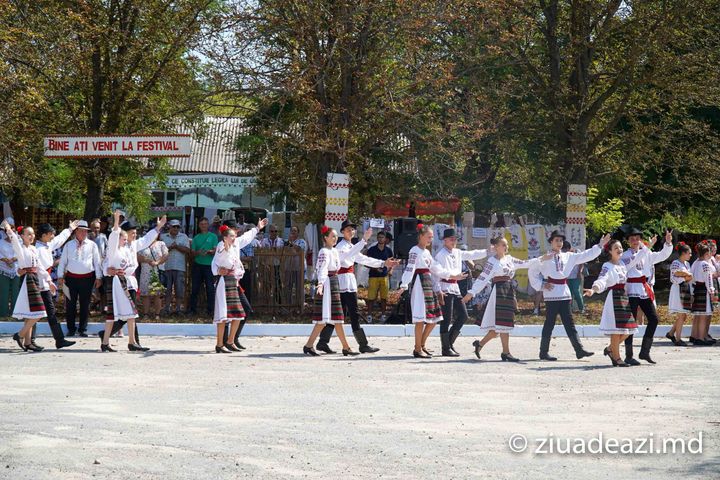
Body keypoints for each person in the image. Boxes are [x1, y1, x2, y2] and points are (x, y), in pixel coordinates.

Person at [316, 220, 398, 354]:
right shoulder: (342, 247)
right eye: (348, 230)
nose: (352, 232)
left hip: (348, 282)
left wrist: (383, 263)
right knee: (348, 313)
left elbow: (363, 259)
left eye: (353, 229)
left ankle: (323, 342)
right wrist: (364, 240)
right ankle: (361, 344)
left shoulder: (350, 246)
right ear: (342, 232)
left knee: (341, 313)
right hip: (341, 283)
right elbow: (350, 255)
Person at [463, 237, 548, 361]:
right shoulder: (492, 261)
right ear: (496, 247)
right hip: (498, 292)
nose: (506, 247)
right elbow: (483, 278)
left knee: (501, 325)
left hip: (508, 291)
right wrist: (471, 293)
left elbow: (525, 263)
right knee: (502, 324)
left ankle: (480, 344)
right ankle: (506, 352)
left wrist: (541, 259)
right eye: (503, 245)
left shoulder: (510, 259)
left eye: (506, 245)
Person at [529, 230, 610, 361]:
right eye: (556, 240)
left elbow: (585, 255)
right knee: (549, 323)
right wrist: (541, 285)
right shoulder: (545, 258)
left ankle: (579, 350)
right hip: (552, 293)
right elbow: (532, 270)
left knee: (569, 323)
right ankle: (543, 352)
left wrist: (600, 246)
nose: (559, 243)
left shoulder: (568, 256)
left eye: (561, 240)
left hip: (564, 293)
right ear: (551, 242)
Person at [97, 212, 167, 349]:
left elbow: (146, 239)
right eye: (131, 233)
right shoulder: (114, 247)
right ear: (123, 235)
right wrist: (116, 222)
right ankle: (124, 341)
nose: (134, 236)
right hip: (117, 282)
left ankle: (128, 341)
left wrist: (158, 228)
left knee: (131, 313)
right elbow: (106, 261)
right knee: (122, 313)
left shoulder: (133, 245)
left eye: (135, 233)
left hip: (129, 281)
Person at [303, 225, 372, 356]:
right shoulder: (324, 251)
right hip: (328, 284)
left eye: (335, 236)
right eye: (332, 236)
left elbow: (348, 257)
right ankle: (310, 345)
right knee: (325, 320)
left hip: (335, 282)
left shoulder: (335, 251)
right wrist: (321, 284)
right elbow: (322, 269)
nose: (335, 239)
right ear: (325, 238)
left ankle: (343, 347)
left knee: (338, 318)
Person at [399, 223, 466, 358]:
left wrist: (451, 278)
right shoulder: (414, 250)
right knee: (420, 319)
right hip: (419, 284)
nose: (430, 240)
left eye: (432, 237)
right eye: (429, 237)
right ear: (421, 236)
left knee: (434, 318)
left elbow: (436, 269)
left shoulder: (427, 252)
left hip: (428, 283)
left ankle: (421, 345)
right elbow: (410, 268)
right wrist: (404, 285)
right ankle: (417, 349)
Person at [583, 239, 649, 367]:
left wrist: (646, 246)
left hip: (624, 297)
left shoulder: (623, 265)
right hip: (614, 298)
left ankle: (610, 349)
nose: (619, 250)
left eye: (620, 247)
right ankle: (617, 358)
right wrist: (593, 289)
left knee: (628, 330)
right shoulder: (607, 266)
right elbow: (602, 279)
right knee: (616, 330)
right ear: (610, 251)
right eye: (616, 248)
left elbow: (636, 258)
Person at [211, 219, 266, 353]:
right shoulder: (221, 245)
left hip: (234, 281)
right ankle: (221, 343)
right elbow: (215, 262)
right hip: (224, 281)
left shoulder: (236, 243)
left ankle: (231, 340)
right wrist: (218, 271)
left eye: (236, 233)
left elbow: (247, 237)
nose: (236, 234)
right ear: (226, 234)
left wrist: (257, 228)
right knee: (224, 314)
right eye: (233, 232)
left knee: (241, 312)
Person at [434, 228, 491, 356]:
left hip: (455, 288)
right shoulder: (440, 255)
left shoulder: (457, 252)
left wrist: (487, 251)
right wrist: (438, 291)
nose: (454, 241)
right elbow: (436, 274)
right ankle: (445, 348)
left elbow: (472, 254)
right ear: (445, 240)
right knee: (446, 319)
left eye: (455, 239)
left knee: (463, 315)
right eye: (451, 239)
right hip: (445, 288)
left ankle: (448, 343)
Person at [621, 228, 673, 364]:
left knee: (654, 319)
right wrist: (645, 249)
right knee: (630, 323)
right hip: (631, 289)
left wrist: (667, 244)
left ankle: (645, 351)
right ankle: (629, 355)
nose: (635, 241)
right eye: (632, 239)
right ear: (628, 241)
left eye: (637, 238)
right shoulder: (624, 255)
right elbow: (629, 265)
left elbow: (661, 256)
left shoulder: (646, 253)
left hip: (643, 289)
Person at [3, 221, 49, 351]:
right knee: (39, 312)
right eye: (28, 234)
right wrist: (9, 230)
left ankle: (28, 342)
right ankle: (20, 335)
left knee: (30, 314)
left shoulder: (33, 249)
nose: (31, 236)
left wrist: (49, 280)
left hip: (34, 279)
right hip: (27, 280)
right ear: (22, 236)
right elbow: (15, 243)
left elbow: (39, 267)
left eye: (33, 234)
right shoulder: (21, 248)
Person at [100, 211, 142, 352]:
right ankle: (105, 342)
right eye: (123, 239)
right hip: (115, 284)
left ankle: (131, 342)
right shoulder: (113, 251)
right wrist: (116, 220)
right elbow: (113, 237)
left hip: (123, 282)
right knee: (113, 314)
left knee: (131, 313)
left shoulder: (125, 251)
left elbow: (131, 264)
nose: (125, 241)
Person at [34, 221, 80, 349]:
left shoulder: (47, 245)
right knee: (39, 312)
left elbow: (59, 239)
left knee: (44, 312)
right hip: (39, 284)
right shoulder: (37, 249)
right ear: (43, 235)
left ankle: (57, 339)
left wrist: (70, 229)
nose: (53, 236)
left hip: (45, 283)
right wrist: (48, 281)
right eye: (50, 234)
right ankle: (26, 337)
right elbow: (39, 269)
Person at [57, 220, 103, 337]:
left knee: (85, 304)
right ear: (76, 231)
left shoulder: (92, 245)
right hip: (70, 279)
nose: (83, 233)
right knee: (70, 304)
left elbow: (97, 262)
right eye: (81, 231)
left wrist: (98, 277)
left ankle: (82, 329)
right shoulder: (69, 245)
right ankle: (71, 329)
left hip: (88, 279)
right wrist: (60, 276)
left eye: (85, 231)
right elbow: (63, 261)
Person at [161, 219, 191, 315]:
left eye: (177, 227)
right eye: (174, 226)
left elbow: (187, 250)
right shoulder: (163, 237)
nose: (176, 228)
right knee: (167, 289)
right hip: (166, 266)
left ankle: (178, 309)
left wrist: (177, 246)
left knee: (179, 289)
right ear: (169, 227)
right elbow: (159, 251)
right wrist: (171, 247)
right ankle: (167, 308)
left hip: (179, 267)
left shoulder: (184, 236)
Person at [188, 217, 217, 317]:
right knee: (195, 288)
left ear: (208, 225)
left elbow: (215, 250)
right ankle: (192, 310)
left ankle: (210, 310)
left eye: (205, 223)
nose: (204, 225)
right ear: (199, 225)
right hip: (198, 266)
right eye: (202, 224)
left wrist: (208, 252)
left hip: (209, 266)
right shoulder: (196, 238)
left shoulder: (213, 236)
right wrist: (198, 252)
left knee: (210, 288)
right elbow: (192, 253)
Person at [665, 242, 693, 346]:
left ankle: (671, 333)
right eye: (689, 253)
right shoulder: (676, 263)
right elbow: (673, 278)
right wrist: (685, 276)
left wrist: (686, 276)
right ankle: (678, 339)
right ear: (683, 253)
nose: (690, 255)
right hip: (678, 289)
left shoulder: (687, 264)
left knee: (684, 315)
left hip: (685, 289)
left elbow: (690, 277)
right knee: (681, 315)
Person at [689, 242, 715, 346]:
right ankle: (700, 338)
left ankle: (695, 336)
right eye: (709, 253)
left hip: (697, 289)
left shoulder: (695, 263)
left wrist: (692, 291)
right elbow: (708, 279)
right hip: (704, 289)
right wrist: (711, 290)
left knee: (698, 315)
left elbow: (691, 278)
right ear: (706, 254)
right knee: (704, 315)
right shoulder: (705, 264)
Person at [137, 236, 169, 320]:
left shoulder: (161, 244)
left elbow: (166, 255)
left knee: (157, 294)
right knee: (145, 294)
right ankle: (145, 314)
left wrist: (157, 262)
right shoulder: (142, 245)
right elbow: (136, 256)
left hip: (157, 272)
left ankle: (157, 314)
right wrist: (147, 260)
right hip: (145, 272)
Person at [366, 231, 393, 324]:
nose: (380, 239)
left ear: (385, 239)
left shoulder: (388, 250)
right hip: (373, 276)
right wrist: (375, 268)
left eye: (382, 237)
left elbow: (392, 262)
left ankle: (383, 315)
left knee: (384, 298)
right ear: (377, 238)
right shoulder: (372, 250)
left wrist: (390, 271)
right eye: (379, 237)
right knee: (371, 297)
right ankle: (369, 315)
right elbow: (366, 263)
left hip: (384, 276)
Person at [0, 217, 20, 318]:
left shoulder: (19, 241)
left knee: (16, 292)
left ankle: (15, 314)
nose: (10, 230)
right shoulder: (1, 242)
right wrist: (5, 260)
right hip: (3, 270)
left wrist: (13, 259)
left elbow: (22, 252)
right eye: (8, 229)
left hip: (16, 270)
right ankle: (3, 314)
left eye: (12, 228)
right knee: (3, 292)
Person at [564, 241, 586, 314]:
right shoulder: (563, 254)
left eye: (566, 250)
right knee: (568, 293)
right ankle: (569, 309)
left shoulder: (577, 252)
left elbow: (581, 262)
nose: (565, 252)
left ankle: (581, 308)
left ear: (569, 248)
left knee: (576, 291)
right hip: (567, 277)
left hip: (576, 275)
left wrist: (579, 272)